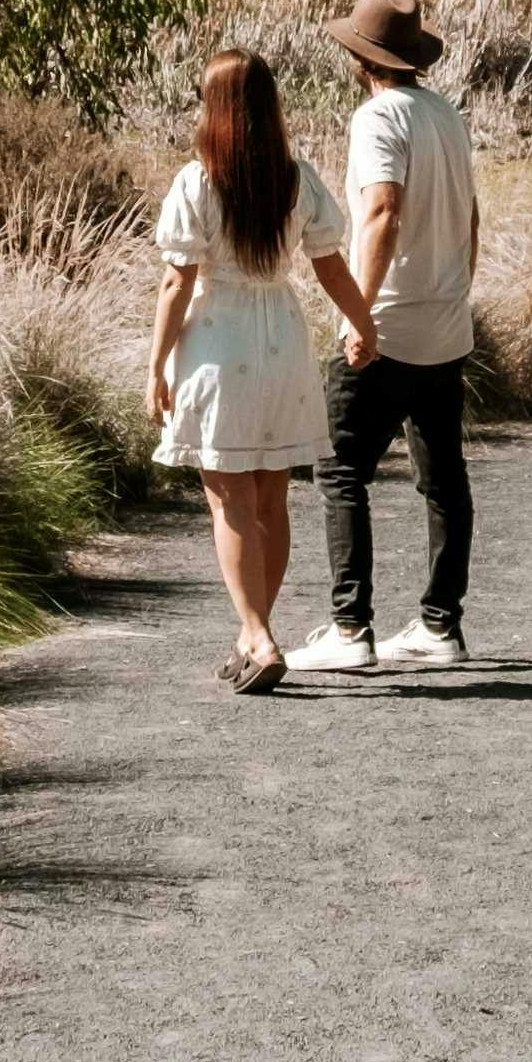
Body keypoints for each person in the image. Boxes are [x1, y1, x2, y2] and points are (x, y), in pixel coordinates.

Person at [149, 49, 379, 695]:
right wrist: (363, 322)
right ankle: (257, 629)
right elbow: (330, 263)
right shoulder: (295, 179)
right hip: (281, 336)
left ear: (214, 109)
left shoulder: (197, 182)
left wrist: (157, 364)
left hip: (219, 339)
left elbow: (176, 281)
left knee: (228, 499)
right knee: (270, 498)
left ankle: (256, 632)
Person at [291, 0, 479, 676]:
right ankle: (440, 624)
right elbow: (471, 217)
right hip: (445, 319)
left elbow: (380, 213)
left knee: (338, 466)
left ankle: (349, 626)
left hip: (390, 319)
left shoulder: (376, 118)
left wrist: (356, 312)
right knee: (443, 478)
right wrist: (458, 289)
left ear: (357, 55)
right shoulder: (444, 113)